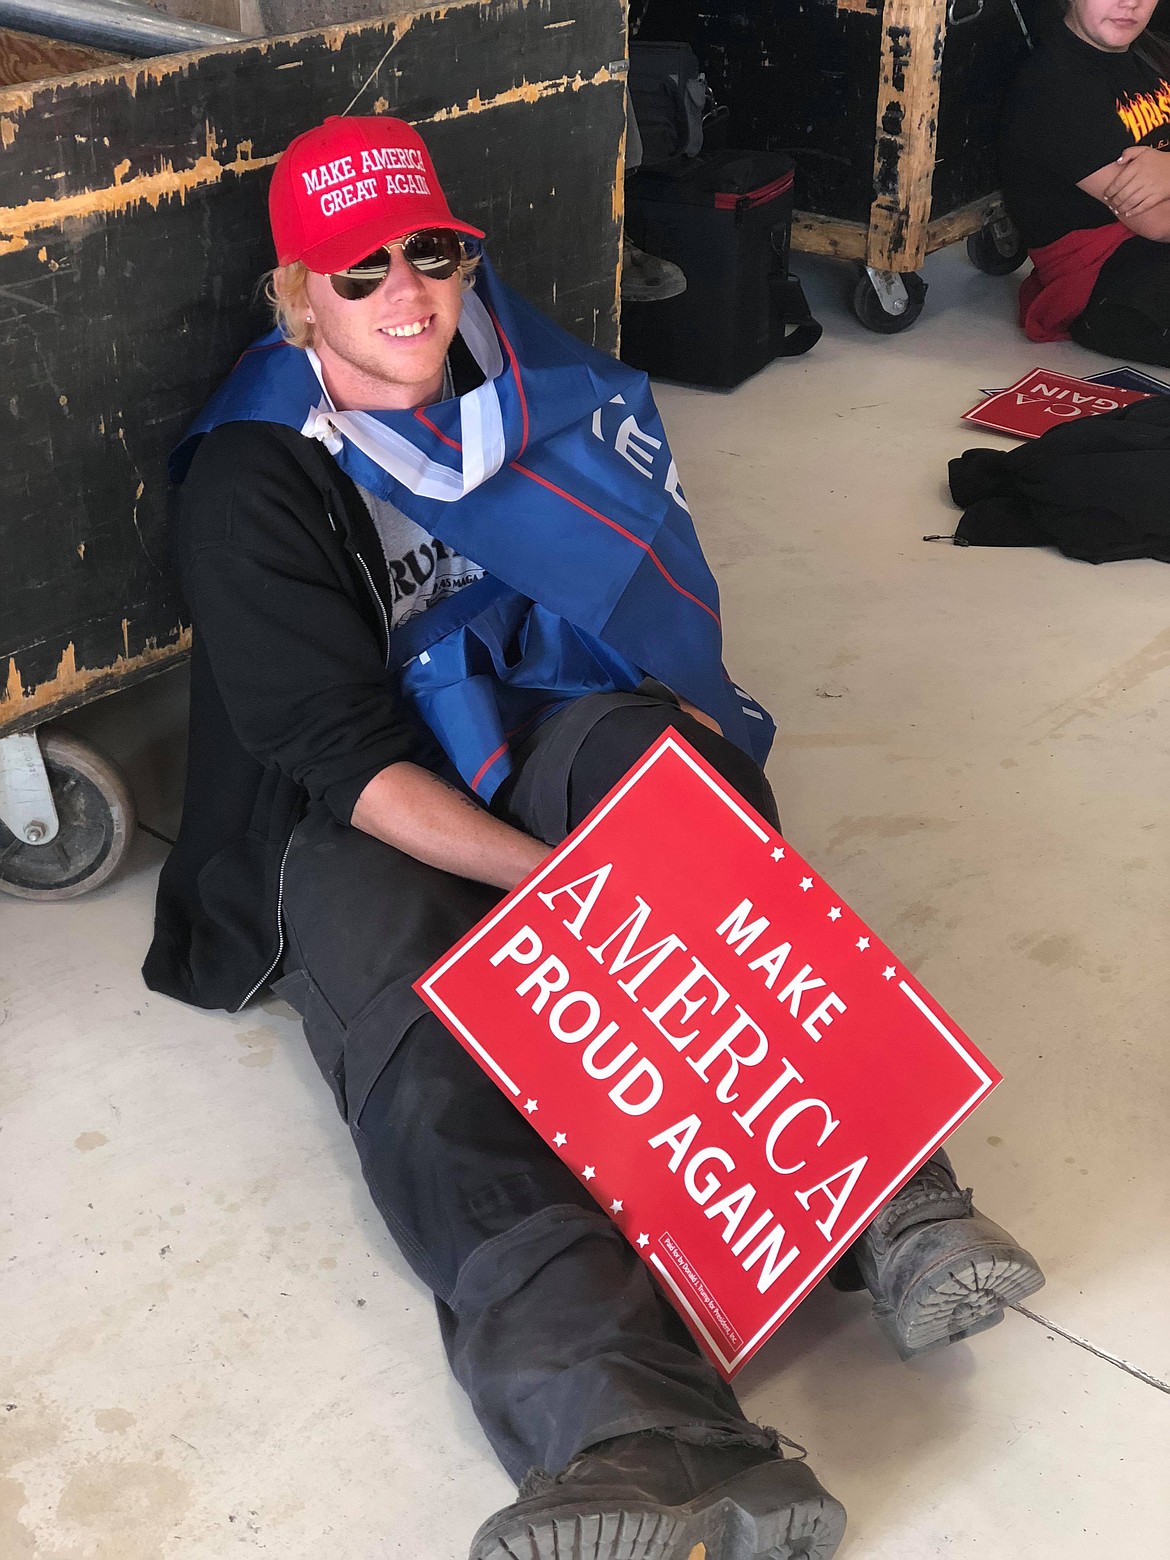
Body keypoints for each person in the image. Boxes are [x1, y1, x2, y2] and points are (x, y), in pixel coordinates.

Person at [144, 113, 1043, 1560]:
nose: (407, 293)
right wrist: (566, 891)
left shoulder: (509, 369)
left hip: (514, 717)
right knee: (425, 1038)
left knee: (656, 772)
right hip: (344, 810)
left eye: (430, 252)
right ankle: (638, 1436)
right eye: (360, 271)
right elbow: (341, 762)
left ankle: (887, 1201)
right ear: (299, 297)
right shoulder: (253, 474)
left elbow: (613, 609)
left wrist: (635, 848)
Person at [1001, 0, 1170, 363]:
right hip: (1107, 285)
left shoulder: (1149, 53)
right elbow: (1155, 221)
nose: (1131, 3)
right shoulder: (1053, 86)